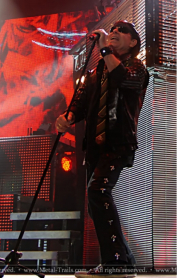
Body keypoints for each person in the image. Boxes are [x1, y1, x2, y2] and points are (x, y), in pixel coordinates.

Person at [56, 21, 149, 276]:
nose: (115, 32)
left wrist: (105, 48)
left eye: (123, 31)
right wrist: (69, 116)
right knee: (95, 200)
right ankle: (121, 262)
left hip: (118, 142)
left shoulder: (137, 68)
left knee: (98, 190)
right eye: (113, 30)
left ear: (133, 42)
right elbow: (83, 98)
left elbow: (122, 79)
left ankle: (116, 264)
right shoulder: (98, 69)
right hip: (95, 146)